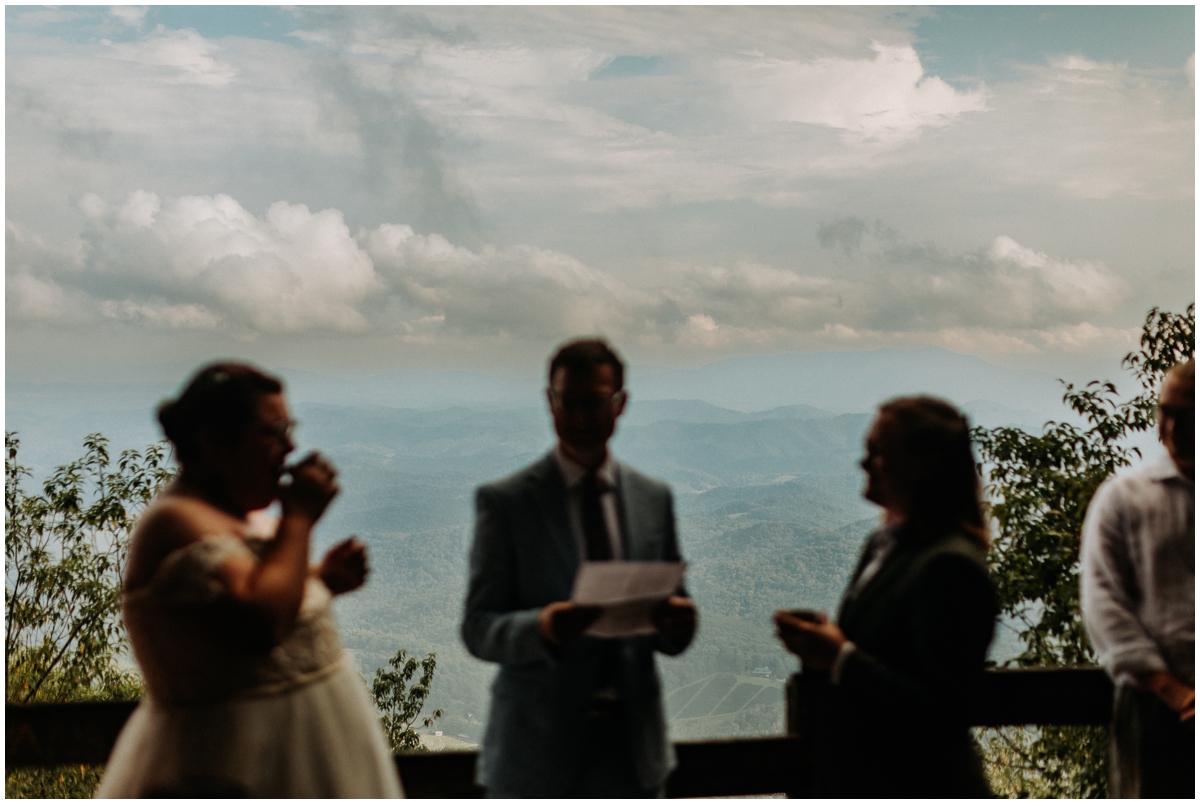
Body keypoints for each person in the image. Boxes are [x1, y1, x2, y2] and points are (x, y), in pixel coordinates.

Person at [97, 362, 402, 798]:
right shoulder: (176, 521)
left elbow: (244, 600)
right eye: (272, 432)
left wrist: (321, 580)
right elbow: (263, 621)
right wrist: (298, 519)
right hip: (234, 770)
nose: (290, 446)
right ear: (213, 442)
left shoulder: (240, 515)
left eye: (288, 428)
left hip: (308, 760)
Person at [461, 338, 697, 798]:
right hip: (535, 756)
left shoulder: (654, 500)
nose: (581, 417)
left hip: (633, 753)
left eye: (595, 402)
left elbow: (673, 625)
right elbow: (477, 627)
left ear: (620, 404)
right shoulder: (507, 504)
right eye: (568, 402)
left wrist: (679, 623)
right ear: (550, 402)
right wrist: (543, 627)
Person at [774, 396, 996, 797]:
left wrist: (840, 657)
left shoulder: (952, 566)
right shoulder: (884, 542)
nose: (863, 463)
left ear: (925, 464)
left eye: (878, 451)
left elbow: (946, 709)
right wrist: (822, 642)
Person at [1080, 358, 1194, 798]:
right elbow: (1102, 602)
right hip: (1151, 709)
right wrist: (1174, 691)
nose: (1169, 426)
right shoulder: (1124, 498)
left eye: (1186, 413)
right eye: (1164, 411)